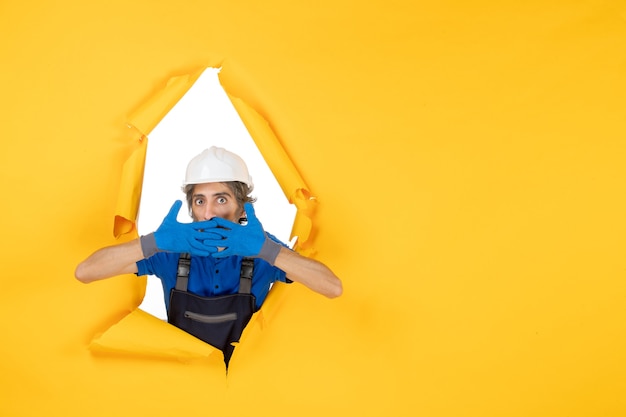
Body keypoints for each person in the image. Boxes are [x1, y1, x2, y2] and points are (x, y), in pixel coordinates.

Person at [75, 146, 342, 366]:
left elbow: (332, 287)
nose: (209, 213)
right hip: (187, 384)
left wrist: (267, 251)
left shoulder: (262, 249)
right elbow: (85, 272)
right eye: (200, 200)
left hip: (246, 386)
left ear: (242, 206)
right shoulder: (170, 250)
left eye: (221, 199)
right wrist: (153, 242)